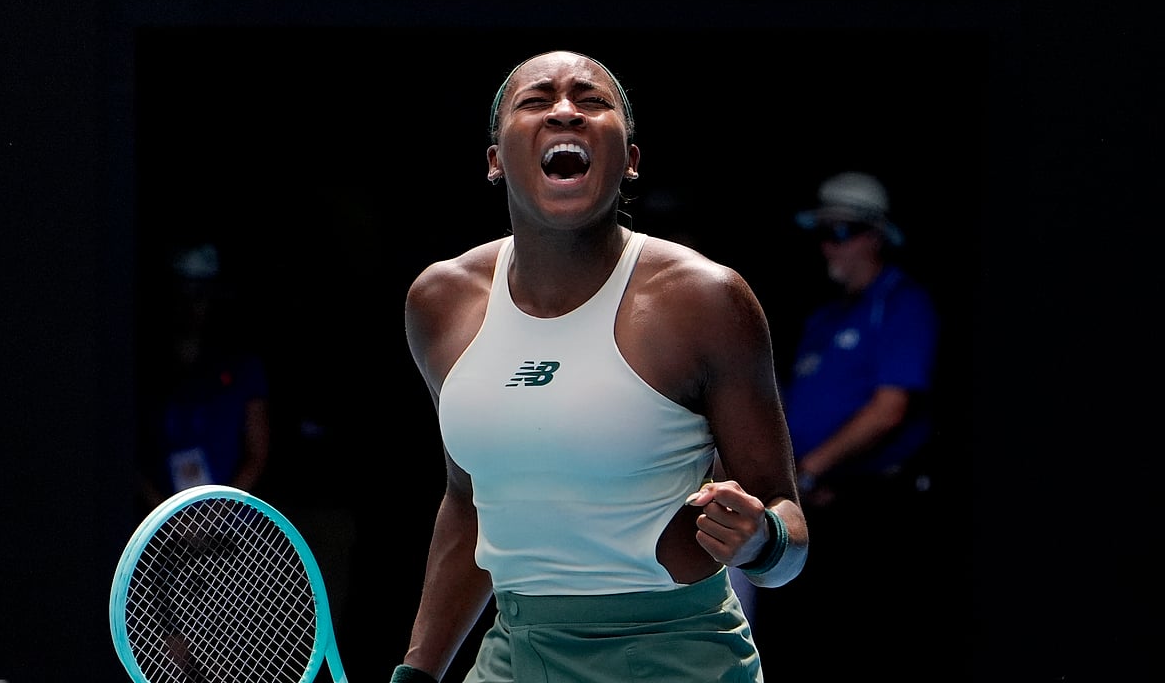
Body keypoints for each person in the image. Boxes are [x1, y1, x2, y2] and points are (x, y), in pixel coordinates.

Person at [389, 50, 809, 683]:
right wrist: (417, 673)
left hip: (676, 657)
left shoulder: (707, 300)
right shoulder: (439, 303)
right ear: (496, 161)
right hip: (515, 654)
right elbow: (471, 498)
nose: (565, 111)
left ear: (630, 160)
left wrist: (763, 543)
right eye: (536, 101)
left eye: (591, 102)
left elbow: (785, 521)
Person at [751, 171, 944, 679]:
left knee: (862, 643)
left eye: (841, 233)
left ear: (874, 236)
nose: (828, 248)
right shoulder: (824, 319)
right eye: (823, 233)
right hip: (815, 509)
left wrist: (810, 470)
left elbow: (890, 408)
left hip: (875, 510)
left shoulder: (901, 303)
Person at [134, 242, 271, 515]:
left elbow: (258, 453)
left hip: (230, 528)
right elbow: (126, 454)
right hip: (160, 529)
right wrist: (167, 516)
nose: (191, 303)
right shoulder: (141, 367)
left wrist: (217, 515)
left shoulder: (243, 366)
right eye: (182, 290)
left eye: (200, 293)